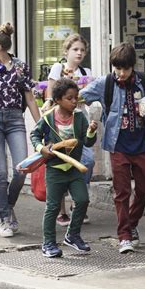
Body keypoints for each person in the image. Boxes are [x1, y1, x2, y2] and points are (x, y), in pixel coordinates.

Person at [79, 42, 145, 254]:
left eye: (126, 69)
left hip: (143, 145)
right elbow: (79, 96)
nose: (121, 73)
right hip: (118, 146)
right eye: (117, 68)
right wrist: (57, 101)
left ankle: (131, 224)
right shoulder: (106, 83)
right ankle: (124, 236)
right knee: (121, 192)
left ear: (133, 66)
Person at [0, 23, 41, 238]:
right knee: (1, 172)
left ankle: (7, 206)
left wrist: (40, 124)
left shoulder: (21, 67)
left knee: (22, 169)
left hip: (15, 120)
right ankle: (4, 219)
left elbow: (29, 97)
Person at [30, 78, 97, 258]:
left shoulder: (80, 117)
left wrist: (91, 130)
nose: (74, 101)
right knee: (52, 207)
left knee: (82, 200)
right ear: (58, 99)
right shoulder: (48, 118)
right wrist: (40, 148)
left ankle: (72, 235)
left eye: (76, 98)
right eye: (70, 98)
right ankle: (48, 243)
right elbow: (34, 135)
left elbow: (89, 142)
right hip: (55, 169)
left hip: (74, 169)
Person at [42, 34, 95, 226]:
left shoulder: (86, 71)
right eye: (75, 49)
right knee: (60, 162)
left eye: (82, 50)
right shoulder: (58, 68)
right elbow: (51, 93)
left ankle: (77, 200)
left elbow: (88, 98)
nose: (79, 53)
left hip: (79, 120)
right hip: (59, 122)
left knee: (87, 160)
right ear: (67, 52)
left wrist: (80, 93)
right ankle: (61, 210)